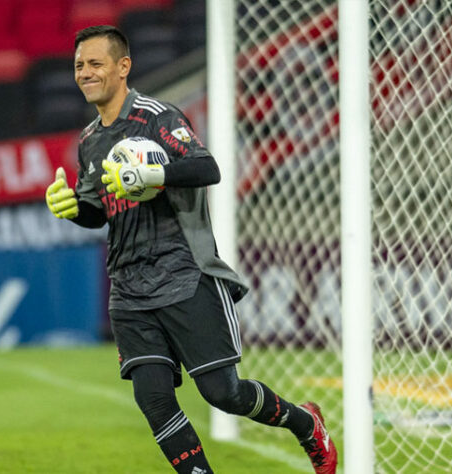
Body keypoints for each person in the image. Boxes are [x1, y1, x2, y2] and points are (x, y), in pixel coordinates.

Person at [45, 25, 337, 474]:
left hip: (185, 272)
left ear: (123, 67)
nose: (85, 73)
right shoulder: (89, 141)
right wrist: (72, 208)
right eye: (80, 65)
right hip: (128, 286)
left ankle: (306, 424)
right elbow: (97, 209)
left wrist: (155, 176)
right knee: (153, 399)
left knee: (225, 394)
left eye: (95, 63)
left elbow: (206, 166)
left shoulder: (157, 117)